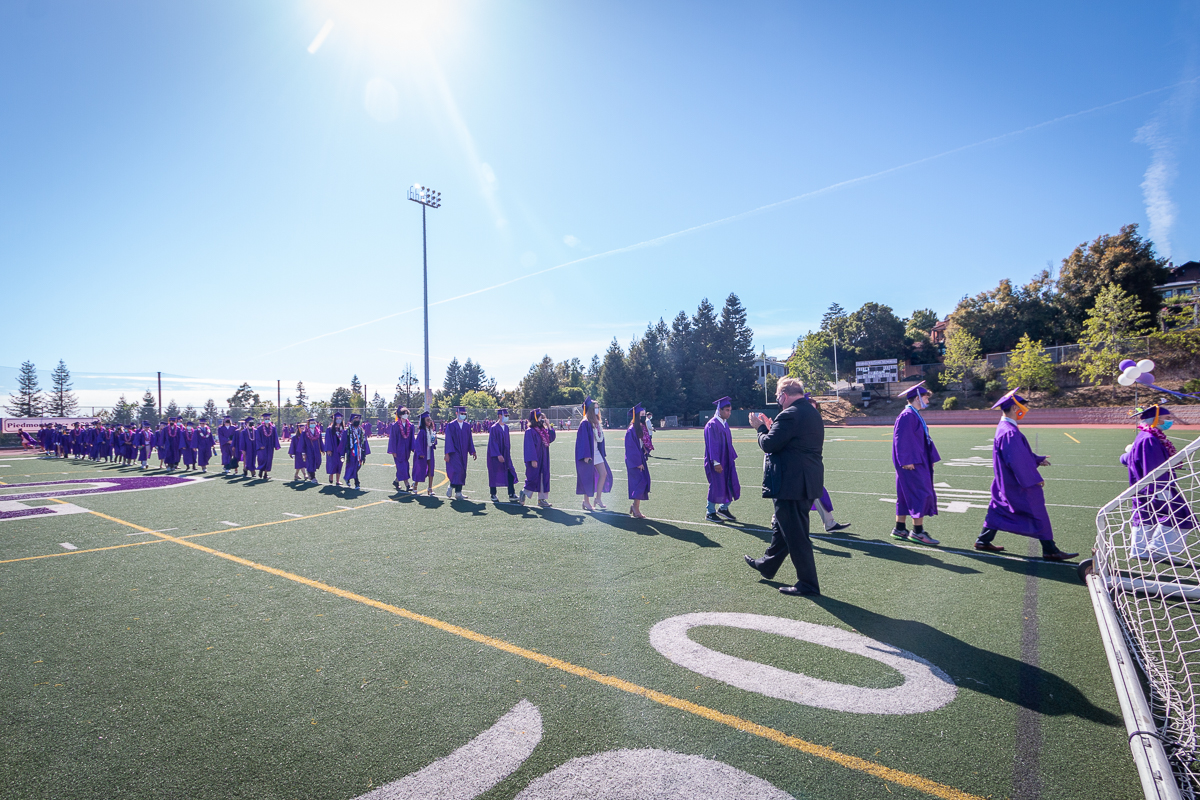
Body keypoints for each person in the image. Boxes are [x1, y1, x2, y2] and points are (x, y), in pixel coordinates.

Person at [743, 376, 825, 597]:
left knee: (796, 535)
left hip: (792, 484)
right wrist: (772, 428)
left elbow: (769, 444)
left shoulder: (789, 414)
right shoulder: (810, 412)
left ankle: (808, 584)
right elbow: (791, 441)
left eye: (778, 396)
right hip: (807, 481)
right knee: (785, 528)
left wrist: (760, 429)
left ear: (785, 395)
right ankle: (768, 565)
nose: (778, 400)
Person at [976, 389, 1078, 561]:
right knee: (1037, 512)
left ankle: (983, 540)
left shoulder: (1005, 428)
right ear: (1016, 409)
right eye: (1023, 406)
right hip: (1016, 483)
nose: (1025, 410)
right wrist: (1034, 480)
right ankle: (1050, 550)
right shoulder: (1009, 432)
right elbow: (1017, 461)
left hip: (1005, 480)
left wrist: (1037, 459)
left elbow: (1019, 454)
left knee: (998, 508)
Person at [1120, 404, 1194, 561]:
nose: (1170, 421)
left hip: (1143, 485)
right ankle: (1159, 547)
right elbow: (1153, 466)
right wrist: (1160, 488)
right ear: (1155, 419)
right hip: (1154, 486)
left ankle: (1139, 550)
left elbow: (1131, 458)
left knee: (1145, 515)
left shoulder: (1147, 436)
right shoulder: (1149, 439)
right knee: (1177, 513)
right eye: (1167, 418)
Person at [891, 381, 940, 546]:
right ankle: (918, 532)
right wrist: (906, 461)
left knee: (905, 495)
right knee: (920, 493)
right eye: (926, 396)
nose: (928, 399)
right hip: (911, 463)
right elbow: (901, 440)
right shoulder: (907, 416)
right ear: (917, 398)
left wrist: (930, 458)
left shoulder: (914, 414)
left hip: (918, 460)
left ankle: (899, 528)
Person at [704, 397, 740, 521]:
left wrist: (731, 456)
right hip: (717, 462)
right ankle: (710, 512)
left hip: (727, 460)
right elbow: (712, 445)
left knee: (730, 482)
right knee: (716, 485)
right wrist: (716, 462)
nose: (729, 413)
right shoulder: (712, 425)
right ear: (719, 410)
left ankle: (723, 508)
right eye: (726, 410)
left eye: (730, 410)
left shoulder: (724, 423)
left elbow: (729, 443)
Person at [576, 397, 613, 512]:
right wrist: (586, 455)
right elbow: (583, 440)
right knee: (588, 477)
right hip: (588, 454)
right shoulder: (585, 423)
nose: (597, 410)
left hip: (596, 452)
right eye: (595, 408)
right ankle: (586, 502)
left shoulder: (596, 423)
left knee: (604, 473)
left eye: (598, 408)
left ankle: (598, 498)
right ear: (590, 410)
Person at [520, 408, 557, 507]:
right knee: (533, 477)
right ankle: (523, 492)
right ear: (535, 418)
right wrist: (533, 459)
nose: (542, 418)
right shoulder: (530, 431)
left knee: (543, 477)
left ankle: (542, 499)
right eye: (540, 417)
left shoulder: (543, 430)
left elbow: (551, 438)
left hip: (544, 457)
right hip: (535, 458)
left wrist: (549, 425)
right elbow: (529, 447)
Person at [443, 405, 477, 500]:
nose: (463, 415)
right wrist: (447, 453)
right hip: (454, 452)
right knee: (457, 471)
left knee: (462, 471)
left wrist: (473, 451)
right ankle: (451, 486)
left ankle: (458, 492)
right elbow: (448, 440)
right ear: (456, 413)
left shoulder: (467, 426)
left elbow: (470, 439)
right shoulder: (451, 425)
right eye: (461, 413)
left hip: (464, 452)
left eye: (464, 414)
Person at [486, 408, 519, 503]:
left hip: (506, 455)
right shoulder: (494, 428)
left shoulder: (506, 428)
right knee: (494, 473)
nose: (507, 417)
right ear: (500, 416)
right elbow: (493, 443)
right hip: (495, 456)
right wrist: (498, 454)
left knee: (510, 473)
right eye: (506, 415)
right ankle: (493, 494)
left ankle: (511, 494)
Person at [625, 404, 652, 518]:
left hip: (640, 457)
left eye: (644, 415)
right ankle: (635, 508)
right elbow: (631, 448)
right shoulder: (631, 430)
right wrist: (638, 462)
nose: (644, 417)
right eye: (641, 415)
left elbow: (641, 443)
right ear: (636, 416)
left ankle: (635, 506)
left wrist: (645, 449)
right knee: (639, 483)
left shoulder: (641, 427)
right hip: (634, 460)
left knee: (643, 482)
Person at [387, 407, 416, 492]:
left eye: (407, 413)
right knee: (402, 467)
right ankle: (407, 484)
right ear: (399, 415)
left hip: (406, 450)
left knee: (404, 467)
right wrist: (393, 451)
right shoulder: (395, 426)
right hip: (398, 450)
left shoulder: (410, 426)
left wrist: (413, 448)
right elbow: (392, 439)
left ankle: (396, 481)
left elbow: (412, 438)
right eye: (404, 413)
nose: (406, 415)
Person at [343, 413, 370, 490]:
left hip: (360, 451)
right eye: (355, 419)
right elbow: (344, 442)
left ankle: (347, 477)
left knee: (358, 466)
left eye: (358, 419)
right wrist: (342, 454)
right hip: (352, 452)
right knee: (353, 466)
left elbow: (364, 441)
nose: (357, 420)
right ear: (351, 421)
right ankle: (357, 482)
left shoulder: (361, 430)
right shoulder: (347, 431)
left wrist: (365, 451)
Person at [254, 412, 281, 480]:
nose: (267, 419)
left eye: (268, 418)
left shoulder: (273, 427)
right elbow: (257, 438)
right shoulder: (259, 428)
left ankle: (265, 474)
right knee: (263, 459)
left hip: (270, 446)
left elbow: (275, 436)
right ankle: (261, 470)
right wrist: (260, 445)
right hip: (263, 446)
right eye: (266, 418)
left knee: (269, 459)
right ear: (263, 419)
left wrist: (276, 445)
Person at [298, 417, 323, 483]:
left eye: (314, 423)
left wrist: (322, 449)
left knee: (318, 461)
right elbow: (302, 443)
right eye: (311, 423)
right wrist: (303, 452)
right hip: (309, 450)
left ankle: (310, 473)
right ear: (308, 424)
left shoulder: (318, 432)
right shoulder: (305, 433)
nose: (313, 424)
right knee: (311, 463)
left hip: (317, 450)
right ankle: (312, 476)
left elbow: (320, 441)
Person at [325, 412, 345, 486]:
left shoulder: (343, 429)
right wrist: (328, 449)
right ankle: (331, 475)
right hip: (333, 449)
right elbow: (328, 440)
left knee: (340, 464)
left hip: (341, 450)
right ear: (334, 419)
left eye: (340, 418)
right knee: (332, 463)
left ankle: (338, 480)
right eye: (337, 418)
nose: (339, 420)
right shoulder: (330, 429)